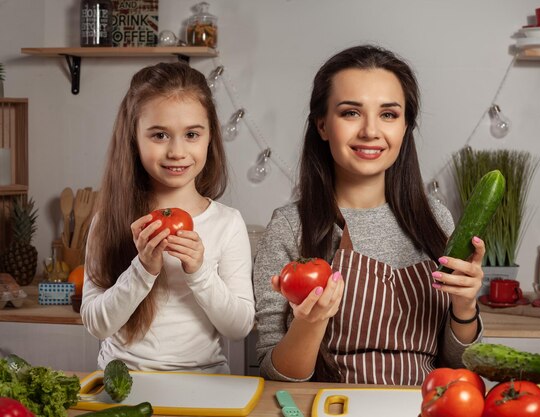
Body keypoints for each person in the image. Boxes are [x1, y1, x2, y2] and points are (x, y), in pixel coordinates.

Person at [253, 45, 485, 385]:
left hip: (422, 405)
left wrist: (465, 307)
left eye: (388, 115)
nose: (370, 131)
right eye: (350, 113)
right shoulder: (290, 226)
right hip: (332, 405)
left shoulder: (436, 220)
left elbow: (459, 366)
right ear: (322, 125)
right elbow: (276, 374)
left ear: (406, 126)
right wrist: (310, 322)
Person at [81, 62, 255, 373]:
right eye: (159, 135)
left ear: (209, 137)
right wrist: (143, 270)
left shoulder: (227, 223)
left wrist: (200, 273)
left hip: (206, 382)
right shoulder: (108, 219)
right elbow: (96, 324)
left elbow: (239, 327)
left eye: (191, 134)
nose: (177, 151)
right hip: (124, 381)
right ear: (133, 138)